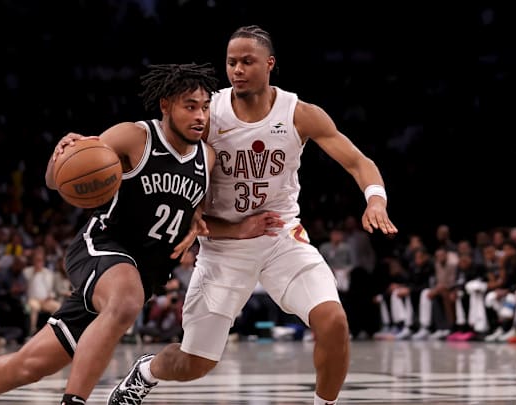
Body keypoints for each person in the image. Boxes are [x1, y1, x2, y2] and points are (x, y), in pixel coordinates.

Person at [108, 25, 398, 405]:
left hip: (282, 238)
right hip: (223, 246)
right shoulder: (208, 113)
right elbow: (174, 162)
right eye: (231, 62)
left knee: (334, 322)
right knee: (194, 363)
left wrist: (375, 200)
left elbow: (360, 162)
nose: (237, 70)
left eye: (247, 61)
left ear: (269, 64)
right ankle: (145, 371)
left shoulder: (299, 114)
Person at [0, 62, 224, 405]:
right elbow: (60, 178)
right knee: (126, 301)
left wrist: (199, 219)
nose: (200, 116)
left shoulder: (206, 157)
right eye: (189, 106)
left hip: (143, 273)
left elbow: (198, 208)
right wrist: (62, 155)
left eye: (205, 107)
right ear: (166, 106)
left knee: (30, 365)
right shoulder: (135, 137)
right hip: (103, 246)